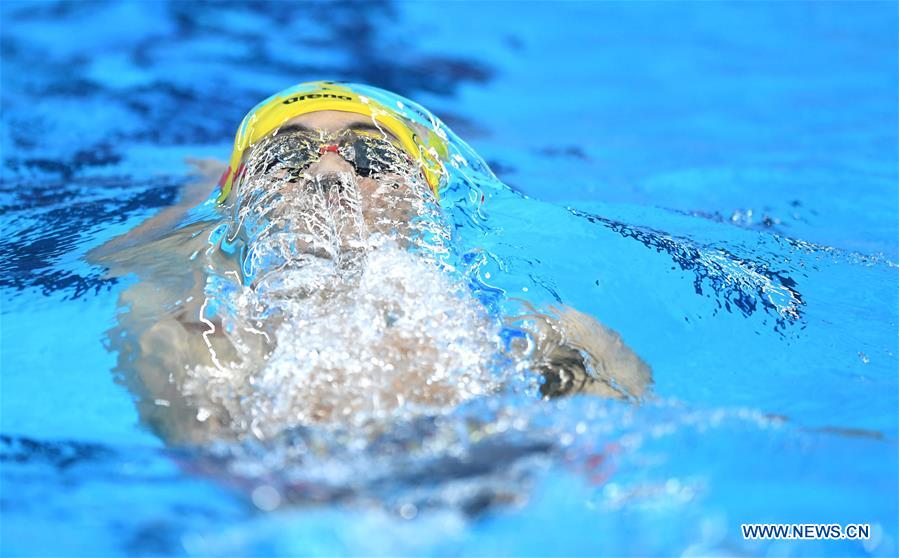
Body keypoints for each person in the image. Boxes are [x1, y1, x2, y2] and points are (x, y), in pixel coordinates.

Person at [89, 82, 651, 445]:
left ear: (422, 194)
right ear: (243, 197)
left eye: (371, 155)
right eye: (286, 158)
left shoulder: (553, 336)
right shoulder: (193, 334)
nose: (326, 175)